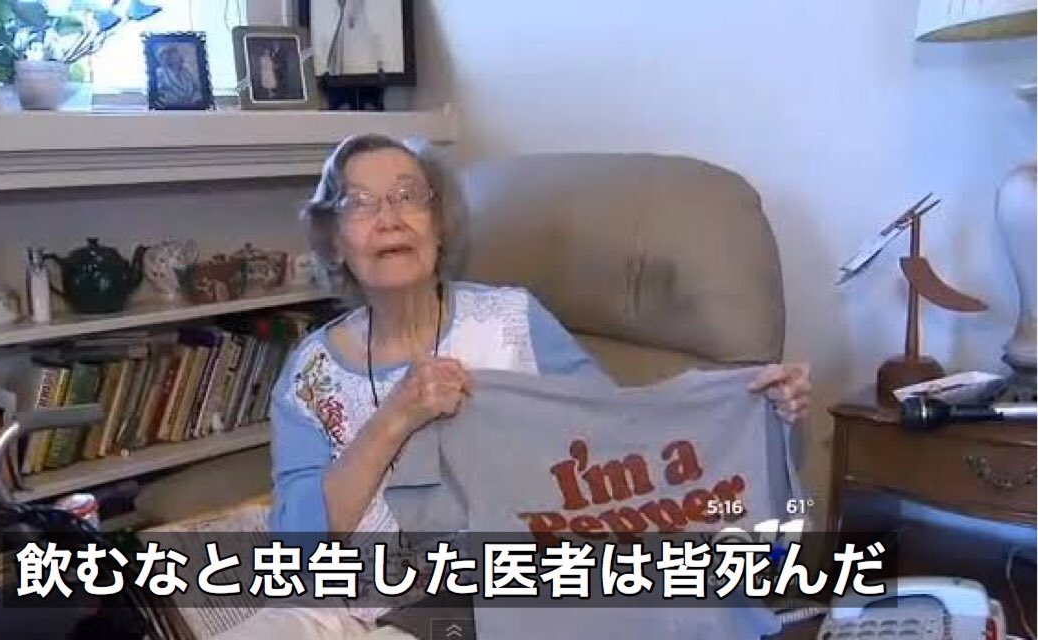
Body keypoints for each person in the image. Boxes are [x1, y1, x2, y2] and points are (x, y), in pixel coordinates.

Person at [257, 133, 812, 639]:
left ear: (439, 223)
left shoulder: (511, 320)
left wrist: (752, 405)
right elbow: (299, 549)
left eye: (409, 196)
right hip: (335, 602)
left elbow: (621, 435)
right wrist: (395, 418)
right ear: (333, 241)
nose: (390, 218)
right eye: (359, 203)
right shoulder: (310, 374)